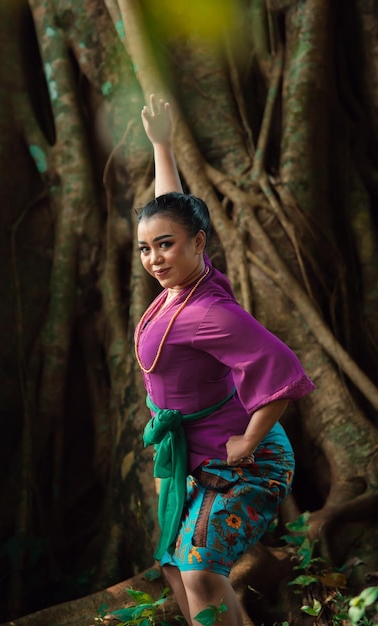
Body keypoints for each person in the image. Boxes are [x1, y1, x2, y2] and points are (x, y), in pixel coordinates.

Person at [135, 94, 315, 626]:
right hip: (195, 455)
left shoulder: (210, 311)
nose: (154, 259)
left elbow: (285, 373)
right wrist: (161, 145)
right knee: (175, 567)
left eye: (165, 247)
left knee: (199, 570)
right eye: (145, 249)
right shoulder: (184, 286)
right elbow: (172, 208)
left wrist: (249, 441)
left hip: (248, 464)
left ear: (199, 244)